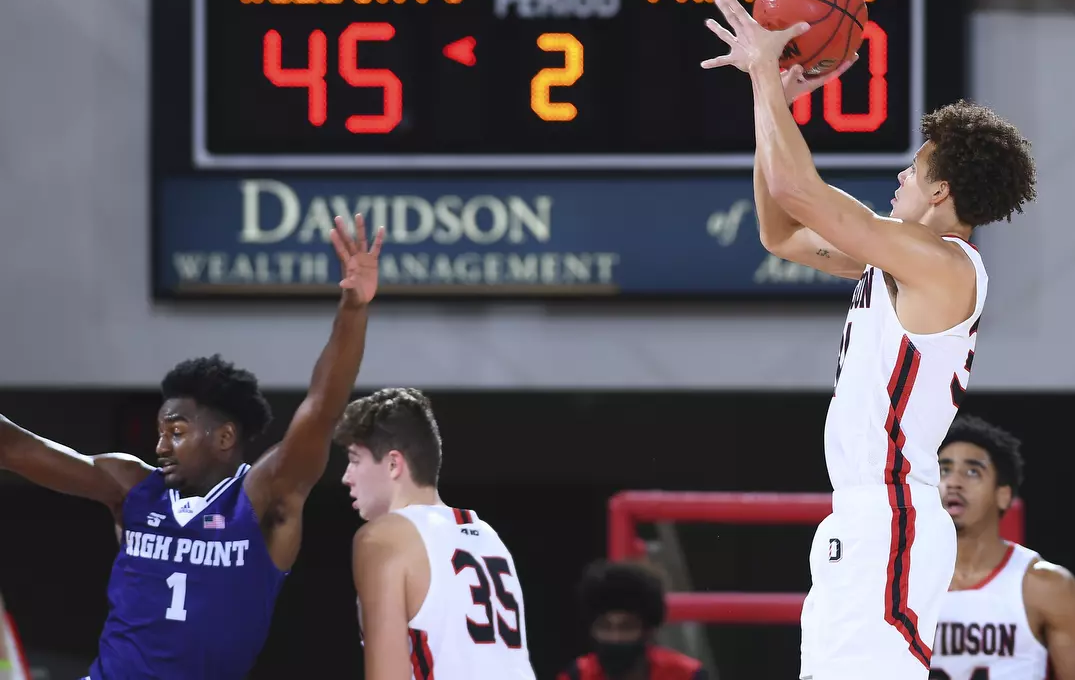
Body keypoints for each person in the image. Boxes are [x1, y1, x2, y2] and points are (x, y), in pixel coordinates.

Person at [701, 0, 1037, 680]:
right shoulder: (899, 263)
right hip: (862, 517)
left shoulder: (943, 264)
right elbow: (780, 231)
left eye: (913, 169)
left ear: (941, 193)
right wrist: (779, 106)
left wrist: (767, 76)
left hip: (891, 516)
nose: (900, 176)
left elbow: (802, 192)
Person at [0, 214, 383, 680]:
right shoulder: (131, 485)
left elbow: (322, 408)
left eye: (176, 431)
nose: (161, 445)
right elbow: (16, 449)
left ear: (224, 438)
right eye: (161, 431)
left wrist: (353, 310)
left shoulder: (261, 500)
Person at [336, 387, 536, 680]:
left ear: (393, 464)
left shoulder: (382, 538)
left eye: (354, 460)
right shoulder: (488, 535)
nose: (346, 477)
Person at [932, 415, 1075, 680]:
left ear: (1003, 494)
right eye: (944, 470)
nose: (954, 482)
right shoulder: (896, 581)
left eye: (972, 471)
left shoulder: (1047, 585)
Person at [557, 560, 708, 680]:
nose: (615, 637)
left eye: (626, 627)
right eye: (605, 626)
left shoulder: (687, 675)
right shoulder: (578, 675)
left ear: (648, 631)